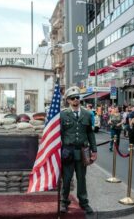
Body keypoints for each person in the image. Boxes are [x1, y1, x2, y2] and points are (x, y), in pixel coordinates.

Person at [60, 86, 97, 215]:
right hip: (68, 151)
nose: (76, 100)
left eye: (77, 97)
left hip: (83, 151)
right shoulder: (63, 114)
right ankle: (64, 201)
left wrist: (94, 150)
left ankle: (84, 202)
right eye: (73, 98)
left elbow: (90, 133)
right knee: (67, 178)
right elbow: (59, 133)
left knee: (82, 178)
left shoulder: (87, 114)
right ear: (68, 101)